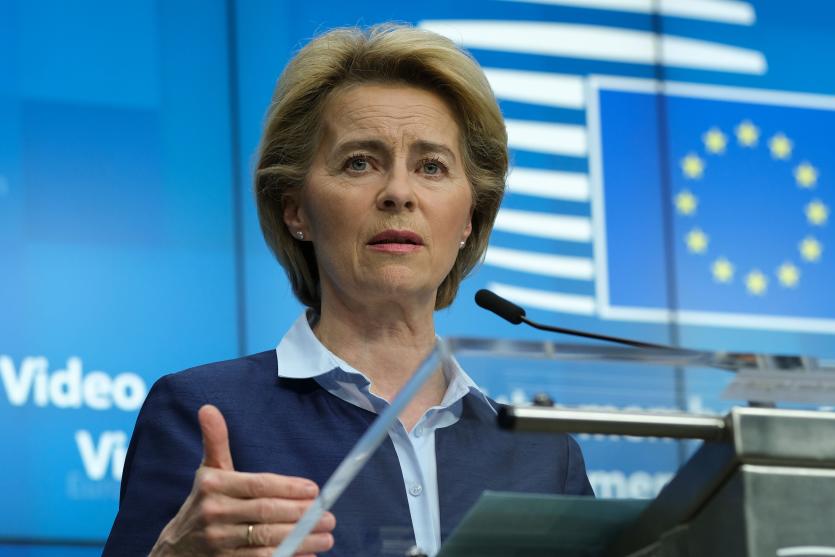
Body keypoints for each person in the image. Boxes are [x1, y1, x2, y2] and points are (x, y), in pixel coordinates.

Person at [102, 24, 593, 557]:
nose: (399, 193)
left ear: (469, 218)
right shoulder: (203, 414)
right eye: (360, 162)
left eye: (432, 166)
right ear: (295, 210)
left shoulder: (543, 456)